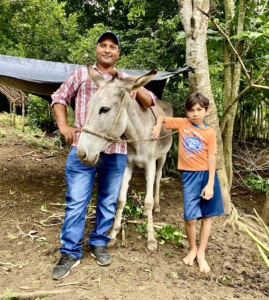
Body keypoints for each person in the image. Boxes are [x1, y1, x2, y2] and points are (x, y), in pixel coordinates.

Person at [51, 31, 157, 280]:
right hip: (84, 148)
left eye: (113, 47)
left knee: (108, 200)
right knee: (77, 201)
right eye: (103, 45)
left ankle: (98, 242)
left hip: (116, 150)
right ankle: (70, 252)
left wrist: (132, 87)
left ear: (118, 52)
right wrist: (64, 126)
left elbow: (149, 100)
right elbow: (59, 98)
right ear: (96, 49)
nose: (107, 50)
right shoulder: (81, 74)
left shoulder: (124, 79)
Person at [151, 93, 224, 273]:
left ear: (207, 111)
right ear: (187, 112)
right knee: (190, 217)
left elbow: (212, 158)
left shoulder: (210, 133)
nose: (195, 114)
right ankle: (192, 248)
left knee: (207, 216)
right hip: (189, 177)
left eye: (199, 110)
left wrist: (210, 184)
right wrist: (158, 126)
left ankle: (201, 253)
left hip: (207, 176)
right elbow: (161, 116)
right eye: (191, 110)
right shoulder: (183, 123)